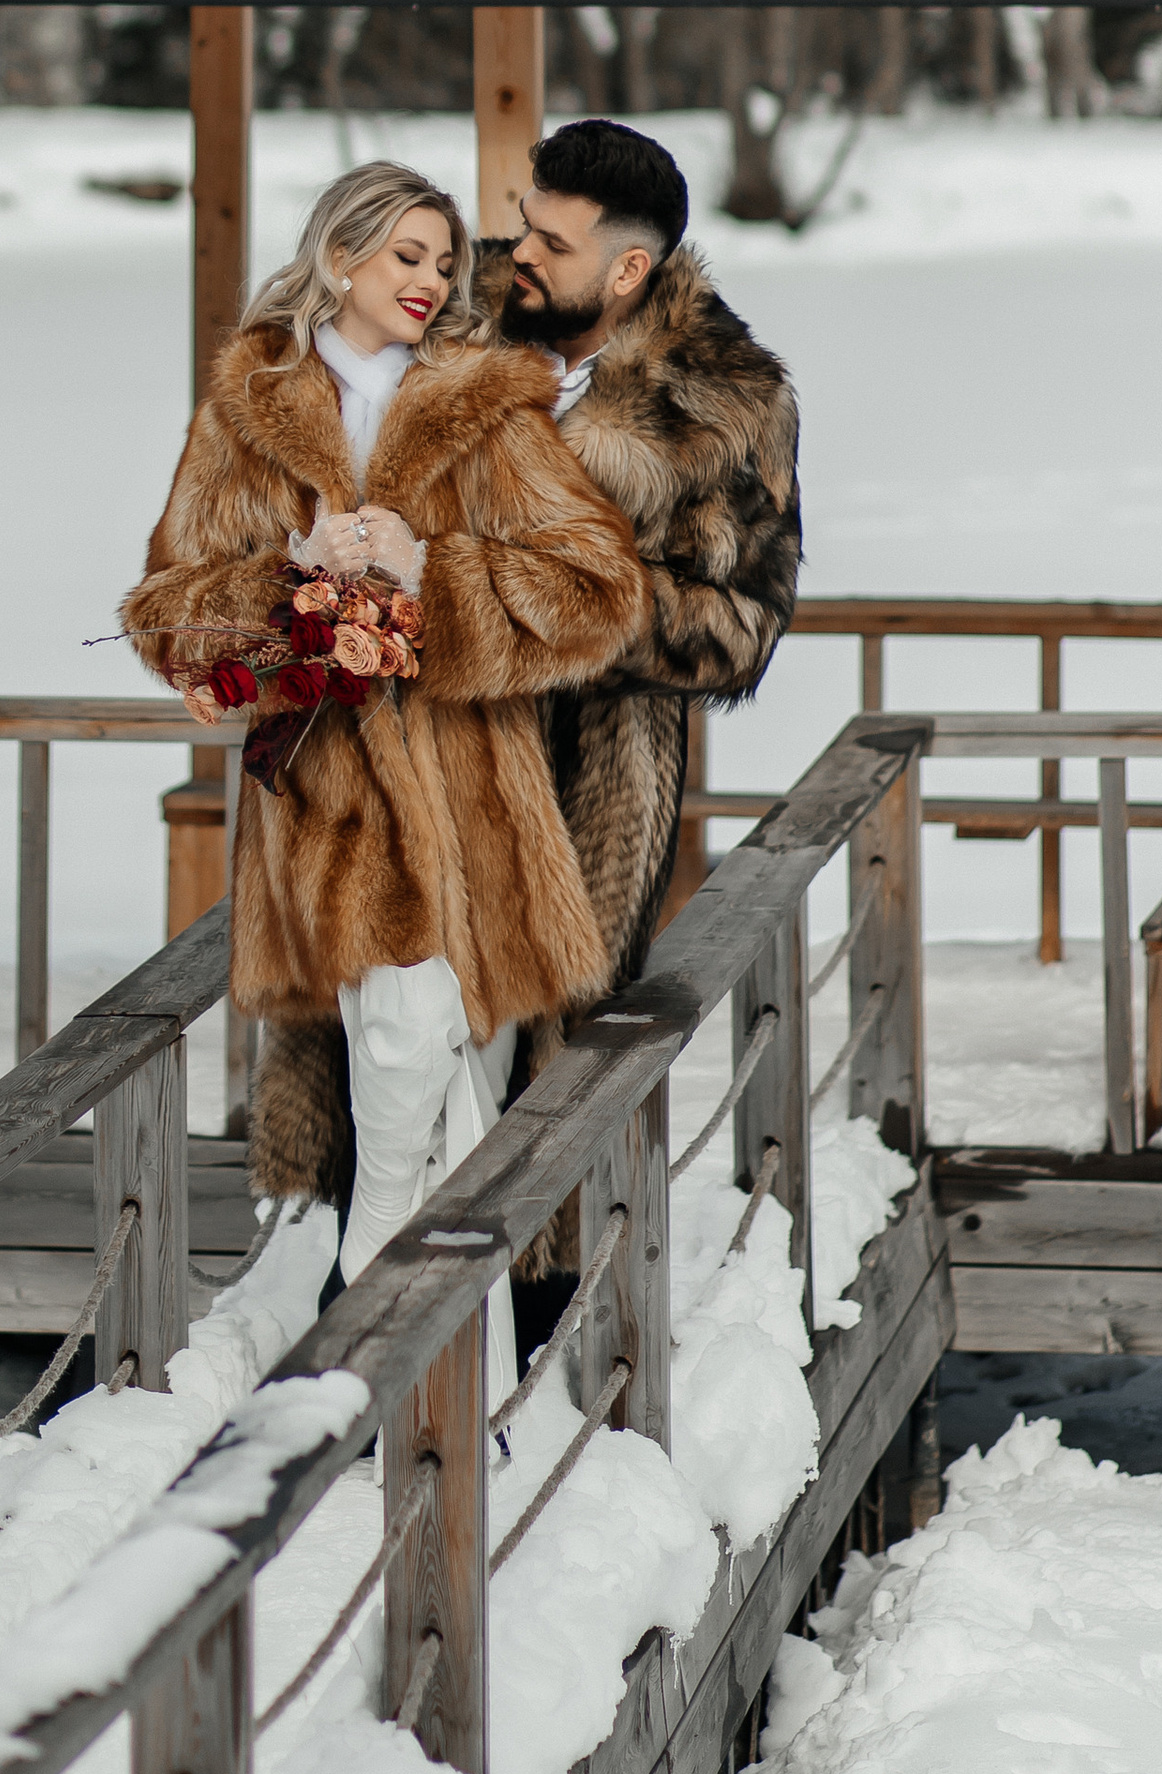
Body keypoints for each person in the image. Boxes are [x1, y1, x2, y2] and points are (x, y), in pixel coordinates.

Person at [247, 117, 801, 1290]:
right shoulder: (445, 315)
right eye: (525, 224)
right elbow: (297, 398)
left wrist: (526, 603)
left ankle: (511, 1344)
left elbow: (740, 627)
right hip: (408, 757)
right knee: (381, 1074)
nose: (520, 254)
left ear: (630, 266)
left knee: (525, 1117)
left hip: (579, 786)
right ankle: (354, 1325)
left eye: (553, 240)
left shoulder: (726, 403)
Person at [121, 158, 650, 1316]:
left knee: (462, 1128)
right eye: (408, 255)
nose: (433, 280)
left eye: (446, 262)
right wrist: (287, 584)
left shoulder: (484, 407)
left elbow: (600, 591)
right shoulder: (247, 413)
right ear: (338, 255)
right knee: (405, 1063)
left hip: (479, 814)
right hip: (330, 810)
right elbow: (163, 617)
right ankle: (366, 1314)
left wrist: (434, 577)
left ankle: (445, 1379)